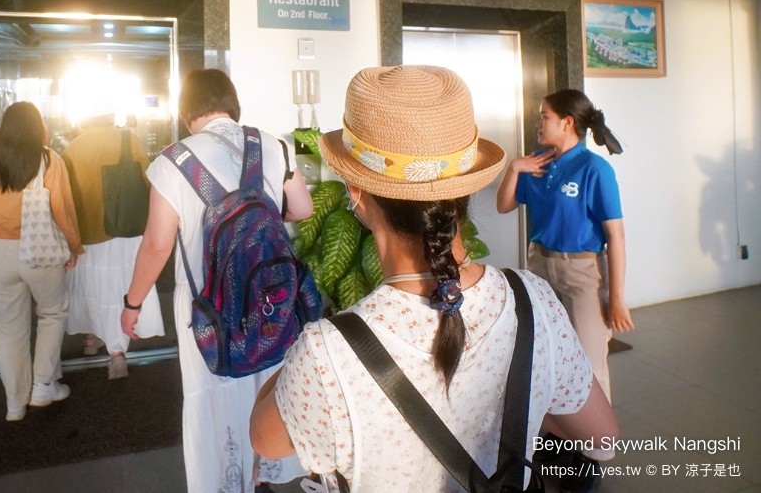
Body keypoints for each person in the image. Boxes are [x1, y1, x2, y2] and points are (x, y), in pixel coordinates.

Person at [250, 66, 619, 492]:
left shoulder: (327, 351)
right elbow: (601, 437)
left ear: (356, 192)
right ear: (465, 187)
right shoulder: (530, 299)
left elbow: (265, 439)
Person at [121, 69, 314, 493]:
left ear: (186, 110)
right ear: (232, 102)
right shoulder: (272, 144)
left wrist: (133, 303)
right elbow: (301, 208)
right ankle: (266, 471)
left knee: (217, 392)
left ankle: (230, 480)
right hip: (271, 300)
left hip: (208, 311)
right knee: (268, 374)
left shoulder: (172, 161)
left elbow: (156, 246)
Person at [495, 88, 633, 480]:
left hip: (581, 275)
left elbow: (616, 236)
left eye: (544, 116)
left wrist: (617, 297)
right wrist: (514, 169)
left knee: (589, 361)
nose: (538, 123)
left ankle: (595, 453)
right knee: (545, 358)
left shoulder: (595, 169)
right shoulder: (537, 164)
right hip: (539, 269)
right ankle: (557, 441)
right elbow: (504, 205)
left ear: (567, 123)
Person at [0, 101, 84, 421]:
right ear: (38, 127)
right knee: (51, 314)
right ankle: (43, 385)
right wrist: (74, 246)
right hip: (40, 248)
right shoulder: (48, 159)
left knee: (9, 330)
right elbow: (62, 208)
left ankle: (14, 405)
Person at [61, 113, 165, 379]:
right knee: (120, 287)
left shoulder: (73, 148)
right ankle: (117, 353)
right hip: (124, 227)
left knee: (93, 286)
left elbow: (65, 192)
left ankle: (90, 339)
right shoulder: (129, 139)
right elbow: (147, 179)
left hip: (88, 229)